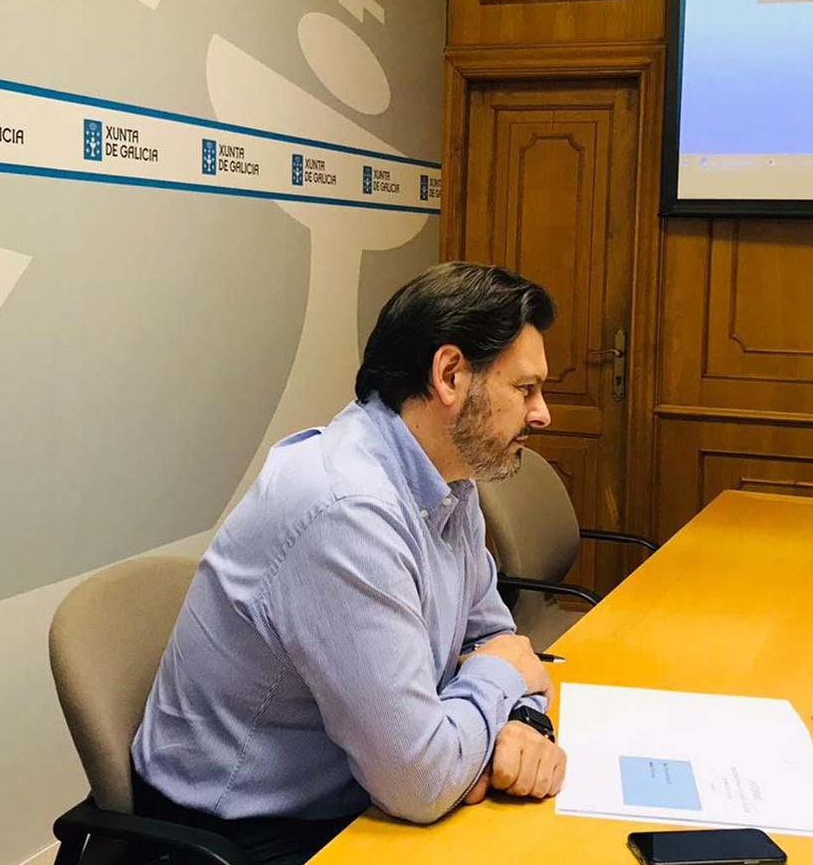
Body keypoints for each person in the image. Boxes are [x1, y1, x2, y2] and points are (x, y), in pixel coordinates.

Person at [130, 262, 566, 865]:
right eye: (525, 389)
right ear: (450, 375)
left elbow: (495, 640)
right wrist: (497, 684)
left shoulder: (450, 478)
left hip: (358, 790)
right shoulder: (346, 511)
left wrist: (522, 724)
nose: (543, 414)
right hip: (243, 836)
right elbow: (422, 780)